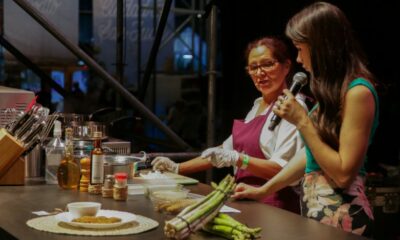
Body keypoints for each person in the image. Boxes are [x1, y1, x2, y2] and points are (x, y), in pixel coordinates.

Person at [233, 2, 378, 237]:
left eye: (301, 49)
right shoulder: (330, 96)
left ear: (322, 46)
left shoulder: (358, 92)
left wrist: (302, 120)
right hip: (318, 214)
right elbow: (309, 156)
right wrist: (263, 190)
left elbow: (343, 175)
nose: (299, 59)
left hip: (344, 217)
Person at [152, 36, 308, 213]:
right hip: (246, 200)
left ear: (286, 66)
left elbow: (283, 170)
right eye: (253, 67)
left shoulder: (292, 109)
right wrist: (177, 168)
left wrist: (238, 159)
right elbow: (224, 150)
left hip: (275, 207)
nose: (260, 73)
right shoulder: (258, 106)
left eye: (267, 64)